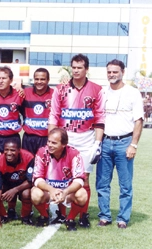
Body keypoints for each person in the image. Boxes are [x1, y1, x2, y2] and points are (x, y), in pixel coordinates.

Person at [48, 54, 105, 228]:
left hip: (87, 138)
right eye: (74, 67)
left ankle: (81, 215)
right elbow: (54, 114)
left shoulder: (97, 89)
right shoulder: (61, 88)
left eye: (80, 67)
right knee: (62, 177)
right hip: (66, 137)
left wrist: (97, 143)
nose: (76, 70)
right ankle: (61, 213)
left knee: (84, 178)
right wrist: (51, 140)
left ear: (86, 69)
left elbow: (100, 117)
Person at [96, 59, 143, 229]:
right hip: (105, 142)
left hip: (124, 142)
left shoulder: (132, 93)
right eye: (109, 72)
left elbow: (139, 121)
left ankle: (123, 218)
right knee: (102, 182)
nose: (111, 75)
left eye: (115, 72)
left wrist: (134, 145)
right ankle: (104, 216)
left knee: (125, 184)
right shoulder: (102, 92)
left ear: (122, 72)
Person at [31, 128, 87, 231]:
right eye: (48, 141)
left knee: (82, 194)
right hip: (49, 191)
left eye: (54, 143)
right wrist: (51, 190)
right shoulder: (41, 152)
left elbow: (79, 180)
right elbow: (37, 179)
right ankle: (44, 216)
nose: (50, 145)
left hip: (67, 192)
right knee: (35, 193)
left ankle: (70, 219)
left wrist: (65, 192)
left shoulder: (74, 154)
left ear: (64, 144)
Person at [0, 139, 35, 229]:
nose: (9, 153)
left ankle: (25, 217)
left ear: (19, 150)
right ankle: (3, 216)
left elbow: (31, 181)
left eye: (13, 150)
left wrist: (15, 190)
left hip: (23, 185)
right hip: (6, 184)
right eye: (6, 150)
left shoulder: (29, 157)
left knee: (27, 193)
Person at [21, 68, 54, 155]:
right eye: (37, 79)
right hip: (28, 139)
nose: (39, 82)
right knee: (28, 166)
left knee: (46, 166)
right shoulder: (25, 93)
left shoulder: (55, 95)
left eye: (42, 79)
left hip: (47, 138)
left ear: (48, 80)